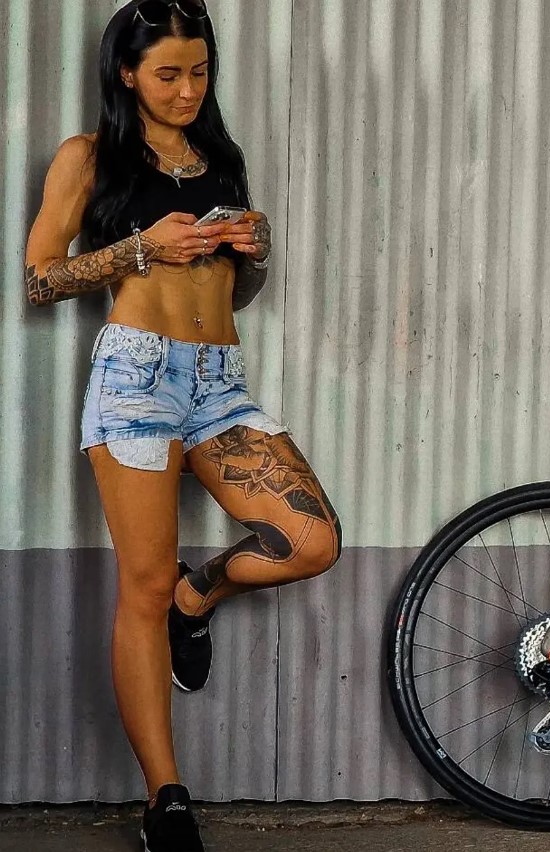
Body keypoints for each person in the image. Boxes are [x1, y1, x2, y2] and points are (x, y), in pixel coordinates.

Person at [22, 3, 342, 850]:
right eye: (168, 74)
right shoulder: (88, 157)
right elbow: (39, 279)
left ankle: (196, 597)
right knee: (140, 588)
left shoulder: (220, 158)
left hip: (219, 382)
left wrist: (254, 250)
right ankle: (165, 798)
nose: (188, 90)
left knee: (312, 541)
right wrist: (140, 249)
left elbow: (235, 291)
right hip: (136, 380)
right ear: (127, 73)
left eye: (200, 71)